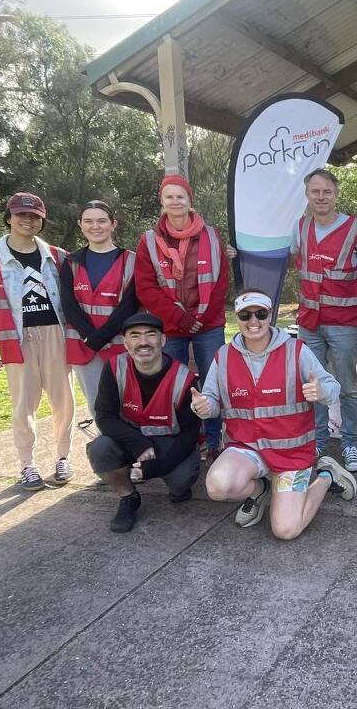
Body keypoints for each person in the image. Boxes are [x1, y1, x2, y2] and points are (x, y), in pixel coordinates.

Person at [194, 290, 357, 540]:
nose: (253, 321)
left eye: (260, 314)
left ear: (270, 315)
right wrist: (205, 407)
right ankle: (260, 489)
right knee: (217, 486)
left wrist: (321, 391)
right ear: (236, 318)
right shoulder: (223, 356)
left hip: (291, 453)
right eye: (245, 315)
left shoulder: (296, 351)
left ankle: (327, 476)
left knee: (285, 530)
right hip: (247, 448)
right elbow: (212, 401)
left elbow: (333, 389)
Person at [0, 193, 76, 491]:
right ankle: (27, 464)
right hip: (16, 337)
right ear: (9, 217)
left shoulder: (58, 256)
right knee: (23, 403)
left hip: (55, 334)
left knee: (64, 400)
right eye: (21, 215)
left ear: (42, 221)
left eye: (34, 216)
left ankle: (63, 456)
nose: (27, 221)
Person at [135, 174, 228, 460]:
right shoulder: (148, 241)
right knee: (172, 385)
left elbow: (221, 280)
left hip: (208, 324)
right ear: (162, 202)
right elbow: (145, 288)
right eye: (169, 197)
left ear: (190, 200)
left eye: (180, 196)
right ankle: (181, 441)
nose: (175, 201)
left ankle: (213, 440)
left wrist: (201, 318)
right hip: (170, 326)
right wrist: (181, 318)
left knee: (212, 382)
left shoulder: (211, 235)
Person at [87, 313, 201, 532]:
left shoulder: (184, 378)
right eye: (135, 335)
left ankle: (175, 486)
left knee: (182, 480)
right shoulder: (114, 368)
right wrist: (138, 443)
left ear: (163, 340)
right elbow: (104, 416)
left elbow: (190, 434)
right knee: (100, 449)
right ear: (125, 342)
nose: (143, 342)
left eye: (151, 334)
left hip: (169, 442)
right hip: (130, 440)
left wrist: (158, 467)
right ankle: (128, 496)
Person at [291, 168, 357, 472]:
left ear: (337, 194)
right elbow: (286, 259)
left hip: (344, 322)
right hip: (309, 321)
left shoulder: (356, 229)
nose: (321, 197)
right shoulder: (300, 228)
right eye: (315, 191)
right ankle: (319, 439)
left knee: (346, 385)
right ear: (307, 195)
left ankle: (350, 441)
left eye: (327, 191)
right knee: (312, 383)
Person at [61, 201, 139, 419]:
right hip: (84, 345)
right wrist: (90, 337)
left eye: (102, 221)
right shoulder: (71, 262)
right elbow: (68, 305)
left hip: (121, 343)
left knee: (129, 402)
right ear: (80, 225)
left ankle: (131, 441)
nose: (95, 226)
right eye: (88, 221)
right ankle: (106, 441)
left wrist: (102, 336)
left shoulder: (131, 260)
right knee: (97, 405)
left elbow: (130, 304)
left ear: (113, 224)